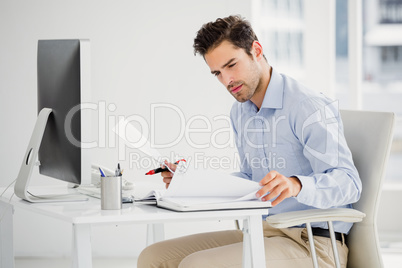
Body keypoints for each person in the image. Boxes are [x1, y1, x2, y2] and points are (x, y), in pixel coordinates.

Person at [137, 15, 361, 268]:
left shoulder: (306, 105)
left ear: (256, 50)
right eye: (217, 73)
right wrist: (193, 182)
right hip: (263, 231)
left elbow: (349, 182)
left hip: (313, 243)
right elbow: (251, 180)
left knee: (197, 264)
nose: (227, 81)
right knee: (153, 258)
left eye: (231, 65)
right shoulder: (241, 111)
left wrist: (296, 184)